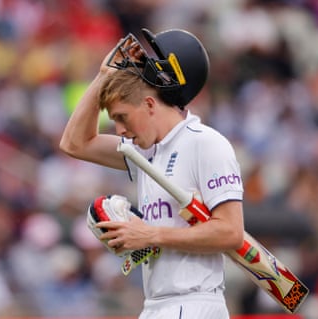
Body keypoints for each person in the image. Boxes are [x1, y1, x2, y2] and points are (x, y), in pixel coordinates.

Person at [59, 28, 244, 319]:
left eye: (122, 117)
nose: (119, 130)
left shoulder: (205, 143)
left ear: (148, 104)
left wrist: (149, 234)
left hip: (195, 303)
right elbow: (74, 143)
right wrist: (103, 75)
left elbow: (231, 232)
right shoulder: (144, 153)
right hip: (156, 305)